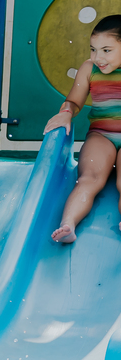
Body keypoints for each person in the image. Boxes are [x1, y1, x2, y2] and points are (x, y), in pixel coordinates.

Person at [46, 15, 121, 243]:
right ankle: (68, 224)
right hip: (102, 136)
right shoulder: (89, 69)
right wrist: (65, 113)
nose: (97, 57)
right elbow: (74, 101)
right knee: (88, 178)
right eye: (93, 49)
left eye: (106, 50)